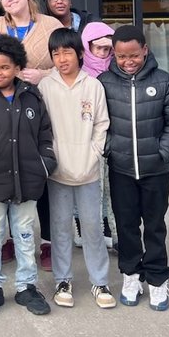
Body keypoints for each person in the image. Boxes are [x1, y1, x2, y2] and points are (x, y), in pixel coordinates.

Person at [0, 35, 56, 317]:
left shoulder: (31, 96)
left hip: (27, 178)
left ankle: (26, 286)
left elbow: (44, 134)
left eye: (4, 67)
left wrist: (45, 163)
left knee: (25, 234)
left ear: (17, 68)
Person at [99, 24, 169, 311]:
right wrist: (111, 149)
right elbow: (99, 124)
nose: (128, 61)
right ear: (114, 54)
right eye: (121, 56)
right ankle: (131, 275)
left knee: (154, 226)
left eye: (134, 55)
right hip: (121, 170)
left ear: (145, 50)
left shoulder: (163, 81)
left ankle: (157, 278)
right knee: (126, 226)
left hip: (155, 171)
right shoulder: (104, 83)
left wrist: (163, 153)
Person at [0, 0, 63, 270]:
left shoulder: (51, 26)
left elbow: (66, 62)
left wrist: (44, 75)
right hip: (4, 109)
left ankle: (48, 242)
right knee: (7, 171)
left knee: (40, 173)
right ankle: (8, 239)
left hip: (43, 107)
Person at [39, 29, 115, 310]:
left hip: (88, 169)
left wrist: (94, 154)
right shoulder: (46, 86)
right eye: (56, 53)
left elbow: (102, 124)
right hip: (57, 170)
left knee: (92, 226)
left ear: (80, 54)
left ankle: (100, 281)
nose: (61, 59)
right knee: (59, 228)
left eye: (67, 52)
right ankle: (63, 280)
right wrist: (50, 157)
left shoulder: (93, 86)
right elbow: (41, 128)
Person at [78, 20, 118, 249]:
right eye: (98, 48)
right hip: (86, 136)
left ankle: (110, 228)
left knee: (110, 188)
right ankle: (84, 228)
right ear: (87, 46)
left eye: (107, 49)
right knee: (89, 186)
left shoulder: (116, 68)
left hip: (113, 135)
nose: (103, 53)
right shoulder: (81, 70)